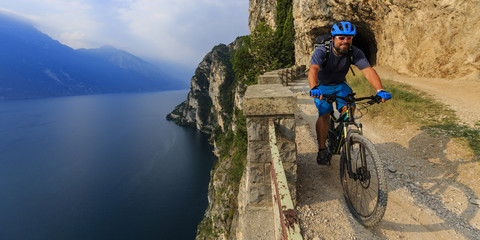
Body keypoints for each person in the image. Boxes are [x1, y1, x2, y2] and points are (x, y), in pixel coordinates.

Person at [308, 21, 391, 165]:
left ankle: (341, 128)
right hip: (322, 86)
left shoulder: (354, 52)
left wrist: (380, 90)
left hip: (340, 84)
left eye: (349, 38)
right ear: (333, 38)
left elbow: (368, 71)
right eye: (341, 38)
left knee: (350, 107)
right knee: (324, 114)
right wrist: (314, 88)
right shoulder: (322, 51)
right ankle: (322, 149)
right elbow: (313, 69)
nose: (345, 41)